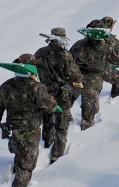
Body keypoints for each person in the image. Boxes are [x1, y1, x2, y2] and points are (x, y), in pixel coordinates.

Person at [0, 54, 57, 187]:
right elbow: (50, 107)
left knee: (19, 155)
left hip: (11, 131)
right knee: (27, 168)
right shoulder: (37, 88)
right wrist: (52, 100)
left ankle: (17, 170)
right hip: (30, 133)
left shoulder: (6, 85)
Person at [34, 27, 83, 164]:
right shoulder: (65, 55)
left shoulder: (40, 52)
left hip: (44, 91)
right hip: (62, 93)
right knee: (62, 126)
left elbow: (32, 68)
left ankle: (46, 142)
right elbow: (75, 75)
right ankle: (57, 154)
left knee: (47, 118)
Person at [69, 19, 119, 130]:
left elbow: (69, 60)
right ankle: (86, 136)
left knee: (66, 101)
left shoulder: (79, 44)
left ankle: (65, 121)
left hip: (75, 78)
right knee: (89, 115)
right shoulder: (106, 47)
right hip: (93, 82)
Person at [101, 16, 119, 98]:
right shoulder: (111, 40)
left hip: (86, 67)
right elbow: (118, 57)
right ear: (111, 27)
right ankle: (116, 97)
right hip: (102, 68)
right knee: (118, 77)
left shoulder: (91, 36)